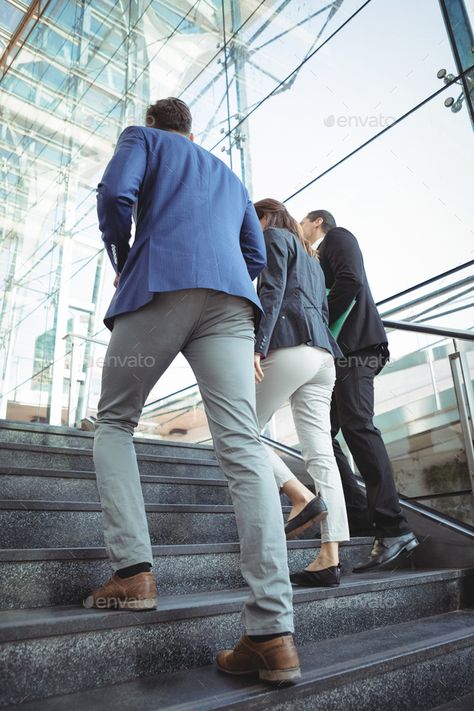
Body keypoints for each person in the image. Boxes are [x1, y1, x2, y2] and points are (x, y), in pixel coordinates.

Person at [85, 98, 300, 685]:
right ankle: (272, 633)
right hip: (231, 306)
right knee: (242, 447)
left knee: (114, 424)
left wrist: (126, 258)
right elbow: (255, 253)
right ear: (193, 130)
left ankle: (133, 573)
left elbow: (113, 197)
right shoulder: (228, 174)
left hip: (159, 283)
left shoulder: (143, 139)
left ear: (156, 125)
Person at [301, 210, 418, 572]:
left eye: (302, 223)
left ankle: (394, 527)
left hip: (356, 349)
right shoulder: (314, 259)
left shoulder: (337, 238)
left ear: (317, 221)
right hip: (339, 356)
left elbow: (351, 281)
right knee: (321, 432)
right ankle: (361, 515)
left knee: (357, 425)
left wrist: (317, 323)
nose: (300, 229)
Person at [253, 199, 350, 588]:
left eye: (254, 220)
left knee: (236, 426)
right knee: (321, 454)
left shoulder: (276, 237)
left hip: (291, 347)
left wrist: (257, 346)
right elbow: (323, 311)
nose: (252, 229)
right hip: (323, 357)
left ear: (267, 217)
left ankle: (299, 497)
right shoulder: (311, 257)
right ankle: (330, 557)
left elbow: (272, 291)